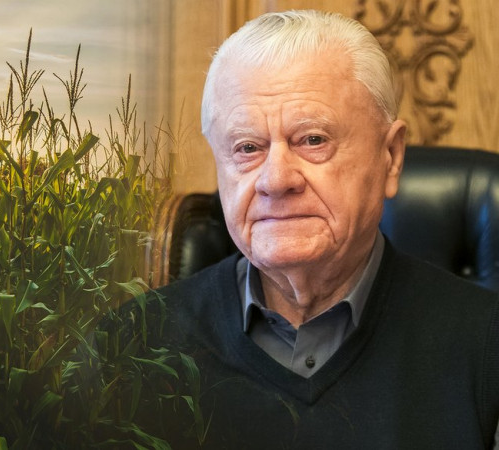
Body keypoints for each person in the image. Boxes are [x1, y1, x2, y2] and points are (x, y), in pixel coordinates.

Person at [100, 9, 499, 449]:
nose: (276, 180)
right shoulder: (128, 347)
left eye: (312, 140)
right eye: (247, 147)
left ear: (391, 157)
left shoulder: (487, 346)